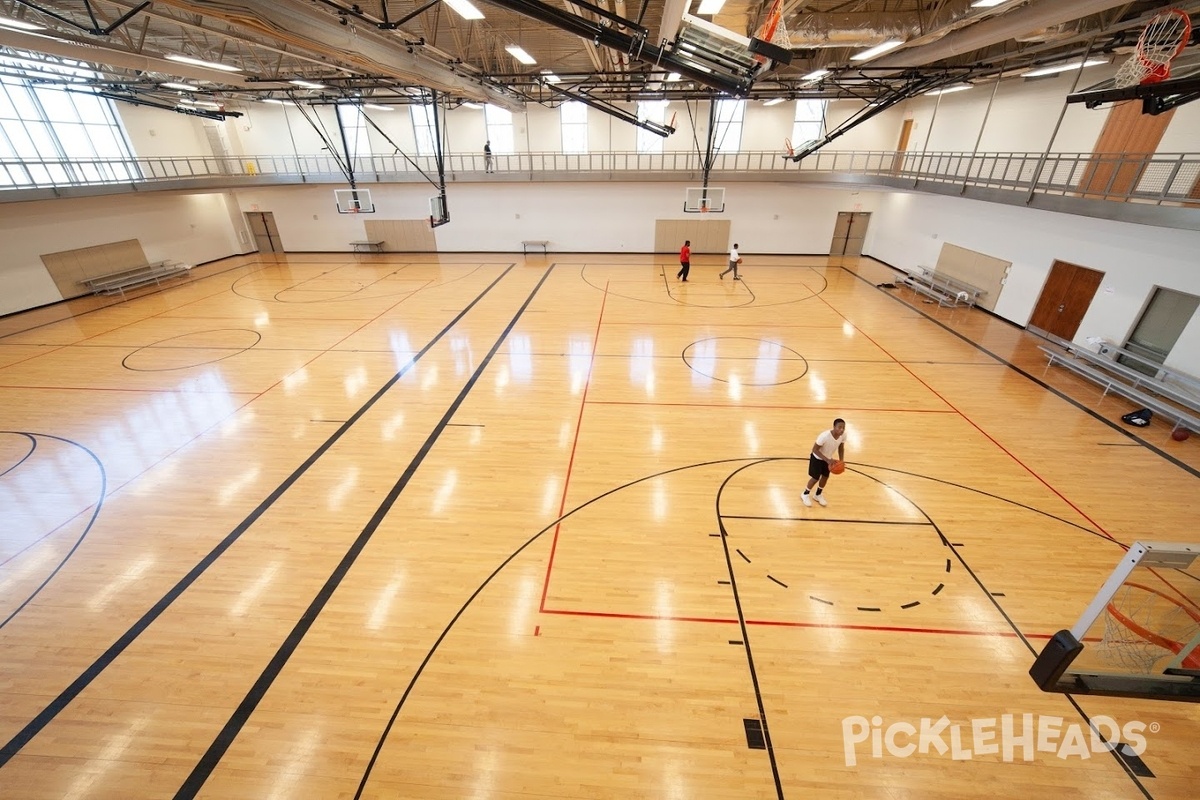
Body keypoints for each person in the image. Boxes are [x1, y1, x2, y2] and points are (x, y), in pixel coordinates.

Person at [801, 418, 846, 507]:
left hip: (828, 459)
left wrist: (841, 460)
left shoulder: (843, 435)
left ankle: (817, 494)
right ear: (834, 427)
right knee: (815, 478)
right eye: (839, 427)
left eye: (843, 428)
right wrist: (827, 460)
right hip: (817, 458)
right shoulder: (824, 436)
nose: (841, 430)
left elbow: (841, 447)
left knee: (825, 477)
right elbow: (814, 450)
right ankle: (805, 494)